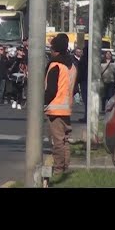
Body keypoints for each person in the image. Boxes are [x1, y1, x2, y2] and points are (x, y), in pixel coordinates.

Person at [44, 33, 77, 181]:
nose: (50, 51)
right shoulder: (71, 66)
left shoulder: (55, 65)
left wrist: (43, 102)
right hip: (66, 107)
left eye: (51, 48)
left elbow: (51, 90)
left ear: (55, 50)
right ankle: (66, 168)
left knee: (57, 141)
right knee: (64, 140)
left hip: (56, 108)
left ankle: (58, 170)